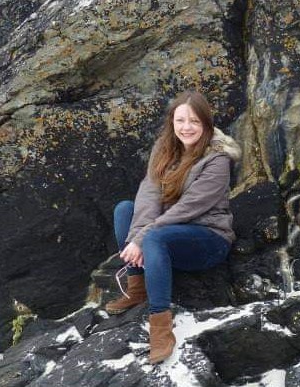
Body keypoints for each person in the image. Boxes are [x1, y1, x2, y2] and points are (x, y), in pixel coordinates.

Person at [105, 90, 241, 364]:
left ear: (206, 124)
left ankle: (160, 328)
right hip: (165, 233)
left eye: (194, 121)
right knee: (124, 209)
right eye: (180, 120)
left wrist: (143, 238)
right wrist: (138, 238)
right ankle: (138, 288)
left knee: (154, 236)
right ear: (172, 122)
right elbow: (149, 194)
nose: (186, 127)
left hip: (208, 239)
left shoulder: (218, 158)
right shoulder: (164, 148)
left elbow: (190, 207)